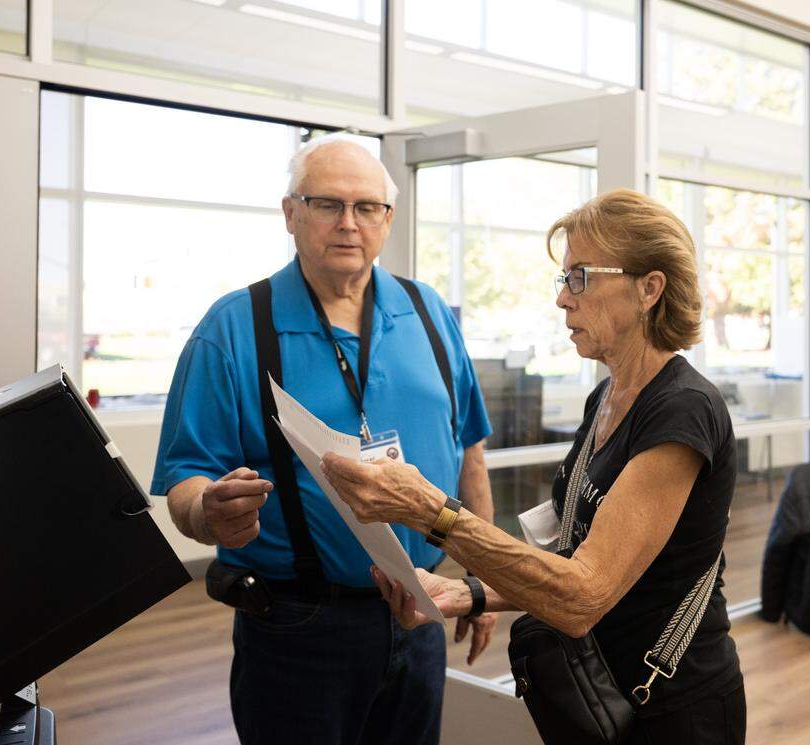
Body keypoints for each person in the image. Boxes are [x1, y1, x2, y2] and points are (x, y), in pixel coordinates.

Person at [322, 189, 747, 744]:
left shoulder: (683, 409)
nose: (564, 301)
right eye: (563, 280)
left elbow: (581, 594)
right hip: (596, 691)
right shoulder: (609, 399)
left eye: (580, 278)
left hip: (671, 706)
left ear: (650, 288)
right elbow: (571, 553)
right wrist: (467, 593)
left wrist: (432, 511)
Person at [150, 136, 497, 745]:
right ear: (290, 213)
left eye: (367, 207)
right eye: (327, 204)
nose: (349, 223)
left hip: (421, 609)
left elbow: (470, 447)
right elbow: (185, 480)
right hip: (297, 628)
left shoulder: (430, 313)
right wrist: (209, 512)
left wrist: (482, 579)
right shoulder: (232, 329)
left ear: (387, 220)